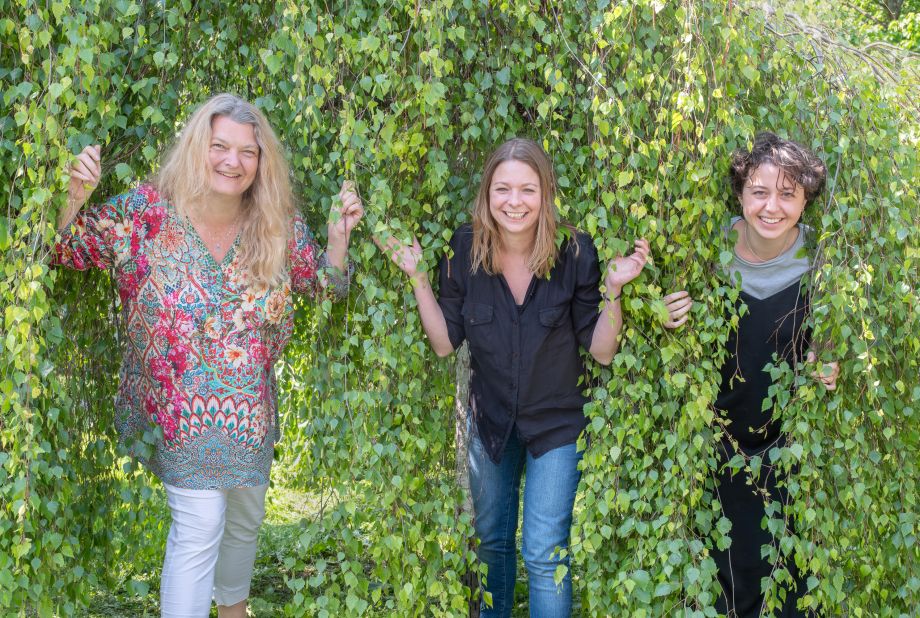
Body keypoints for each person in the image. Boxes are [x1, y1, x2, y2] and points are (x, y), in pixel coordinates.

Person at [55, 93, 363, 618]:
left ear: (261, 162)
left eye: (248, 152)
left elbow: (324, 283)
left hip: (249, 414)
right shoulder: (145, 214)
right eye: (220, 146)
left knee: (243, 520)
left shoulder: (275, 222)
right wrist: (74, 196)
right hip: (180, 413)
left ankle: (233, 609)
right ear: (199, 147)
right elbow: (66, 249)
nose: (232, 161)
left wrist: (338, 238)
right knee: (199, 526)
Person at [377, 138, 682, 616]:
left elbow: (601, 351)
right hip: (491, 420)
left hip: (557, 424)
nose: (514, 202)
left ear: (546, 193)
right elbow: (444, 343)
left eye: (527, 189)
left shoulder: (575, 251)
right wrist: (417, 277)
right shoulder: (462, 248)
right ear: (486, 193)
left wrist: (615, 291)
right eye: (503, 189)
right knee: (490, 544)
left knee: (544, 552)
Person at [664, 132, 840, 616]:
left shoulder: (821, 262)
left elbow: (828, 339)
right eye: (759, 192)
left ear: (806, 200)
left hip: (788, 453)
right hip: (714, 447)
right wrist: (665, 314)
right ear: (740, 193)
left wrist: (829, 361)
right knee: (722, 580)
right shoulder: (705, 253)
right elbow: (670, 340)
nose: (772, 207)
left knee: (788, 582)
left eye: (788, 194)